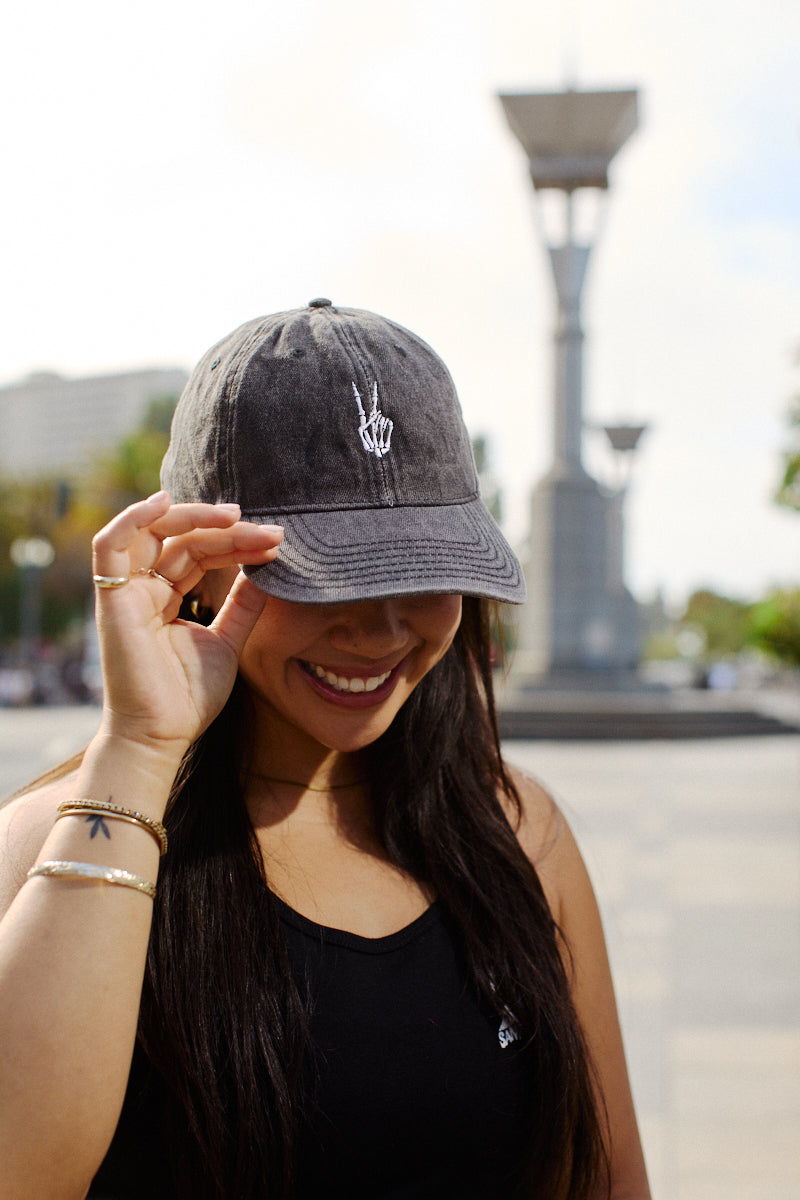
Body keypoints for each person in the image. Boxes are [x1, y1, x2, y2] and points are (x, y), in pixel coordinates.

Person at [0, 300, 651, 1200]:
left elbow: (605, 1178)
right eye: (322, 572)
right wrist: (140, 747)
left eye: (423, 570)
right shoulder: (59, 843)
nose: (381, 627)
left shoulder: (516, 829)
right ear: (202, 559)